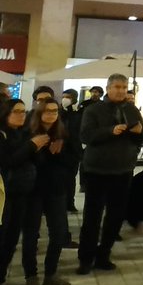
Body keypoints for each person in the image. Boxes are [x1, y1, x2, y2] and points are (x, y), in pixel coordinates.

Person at [77, 74, 143, 274]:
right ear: (108, 88)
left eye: (124, 87)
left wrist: (139, 133)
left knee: (115, 216)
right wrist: (110, 131)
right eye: (117, 86)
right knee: (92, 217)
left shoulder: (131, 109)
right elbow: (85, 135)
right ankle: (85, 258)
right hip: (98, 170)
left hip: (123, 170)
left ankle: (103, 255)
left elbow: (142, 138)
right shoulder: (93, 109)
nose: (121, 90)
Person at [23, 100, 74, 285]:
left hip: (56, 189)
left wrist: (58, 154)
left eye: (55, 111)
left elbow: (74, 158)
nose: (52, 114)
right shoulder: (29, 133)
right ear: (39, 113)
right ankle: (31, 275)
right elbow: (25, 160)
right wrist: (40, 150)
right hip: (33, 191)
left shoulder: (63, 133)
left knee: (59, 233)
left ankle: (50, 273)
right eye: (47, 111)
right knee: (31, 234)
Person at [0, 99, 44, 285]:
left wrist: (35, 146)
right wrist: (31, 146)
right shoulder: (2, 135)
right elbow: (8, 162)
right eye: (16, 111)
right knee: (2, 240)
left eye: (23, 111)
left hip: (22, 192)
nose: (21, 115)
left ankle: (0, 282)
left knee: (10, 241)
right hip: (4, 195)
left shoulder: (23, 133)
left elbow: (33, 160)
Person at [59, 89, 83, 217]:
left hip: (73, 152)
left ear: (74, 98)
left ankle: (70, 203)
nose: (65, 99)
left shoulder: (78, 113)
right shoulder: (59, 112)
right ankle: (60, 203)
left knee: (71, 179)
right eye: (63, 97)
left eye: (67, 97)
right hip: (59, 151)